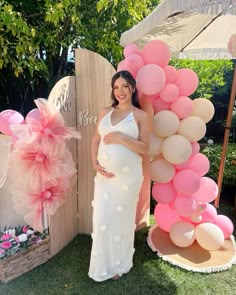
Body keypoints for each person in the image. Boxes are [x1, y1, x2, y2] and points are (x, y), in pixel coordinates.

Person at [88, 70, 150, 282]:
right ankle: (102, 264)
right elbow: (95, 139)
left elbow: (144, 148)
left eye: (125, 86)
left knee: (121, 221)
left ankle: (119, 265)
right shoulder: (105, 111)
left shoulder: (141, 116)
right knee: (102, 219)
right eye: (116, 87)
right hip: (104, 178)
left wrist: (123, 137)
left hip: (128, 179)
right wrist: (94, 162)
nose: (120, 91)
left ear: (132, 88)